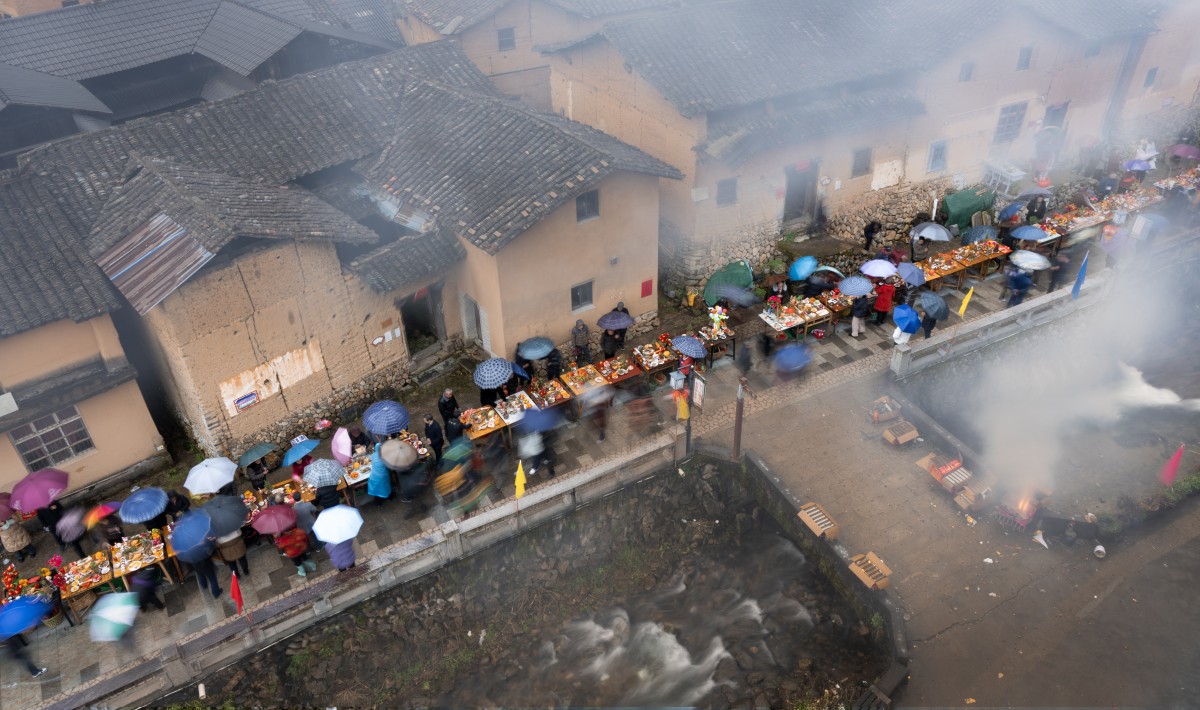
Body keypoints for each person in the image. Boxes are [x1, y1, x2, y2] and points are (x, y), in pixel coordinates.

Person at [367, 439, 393, 505]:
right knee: (385, 487)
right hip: (383, 476)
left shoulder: (373, 456)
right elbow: (389, 465)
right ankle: (389, 498)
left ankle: (378, 502)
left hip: (373, 476)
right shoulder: (384, 456)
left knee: (377, 490)